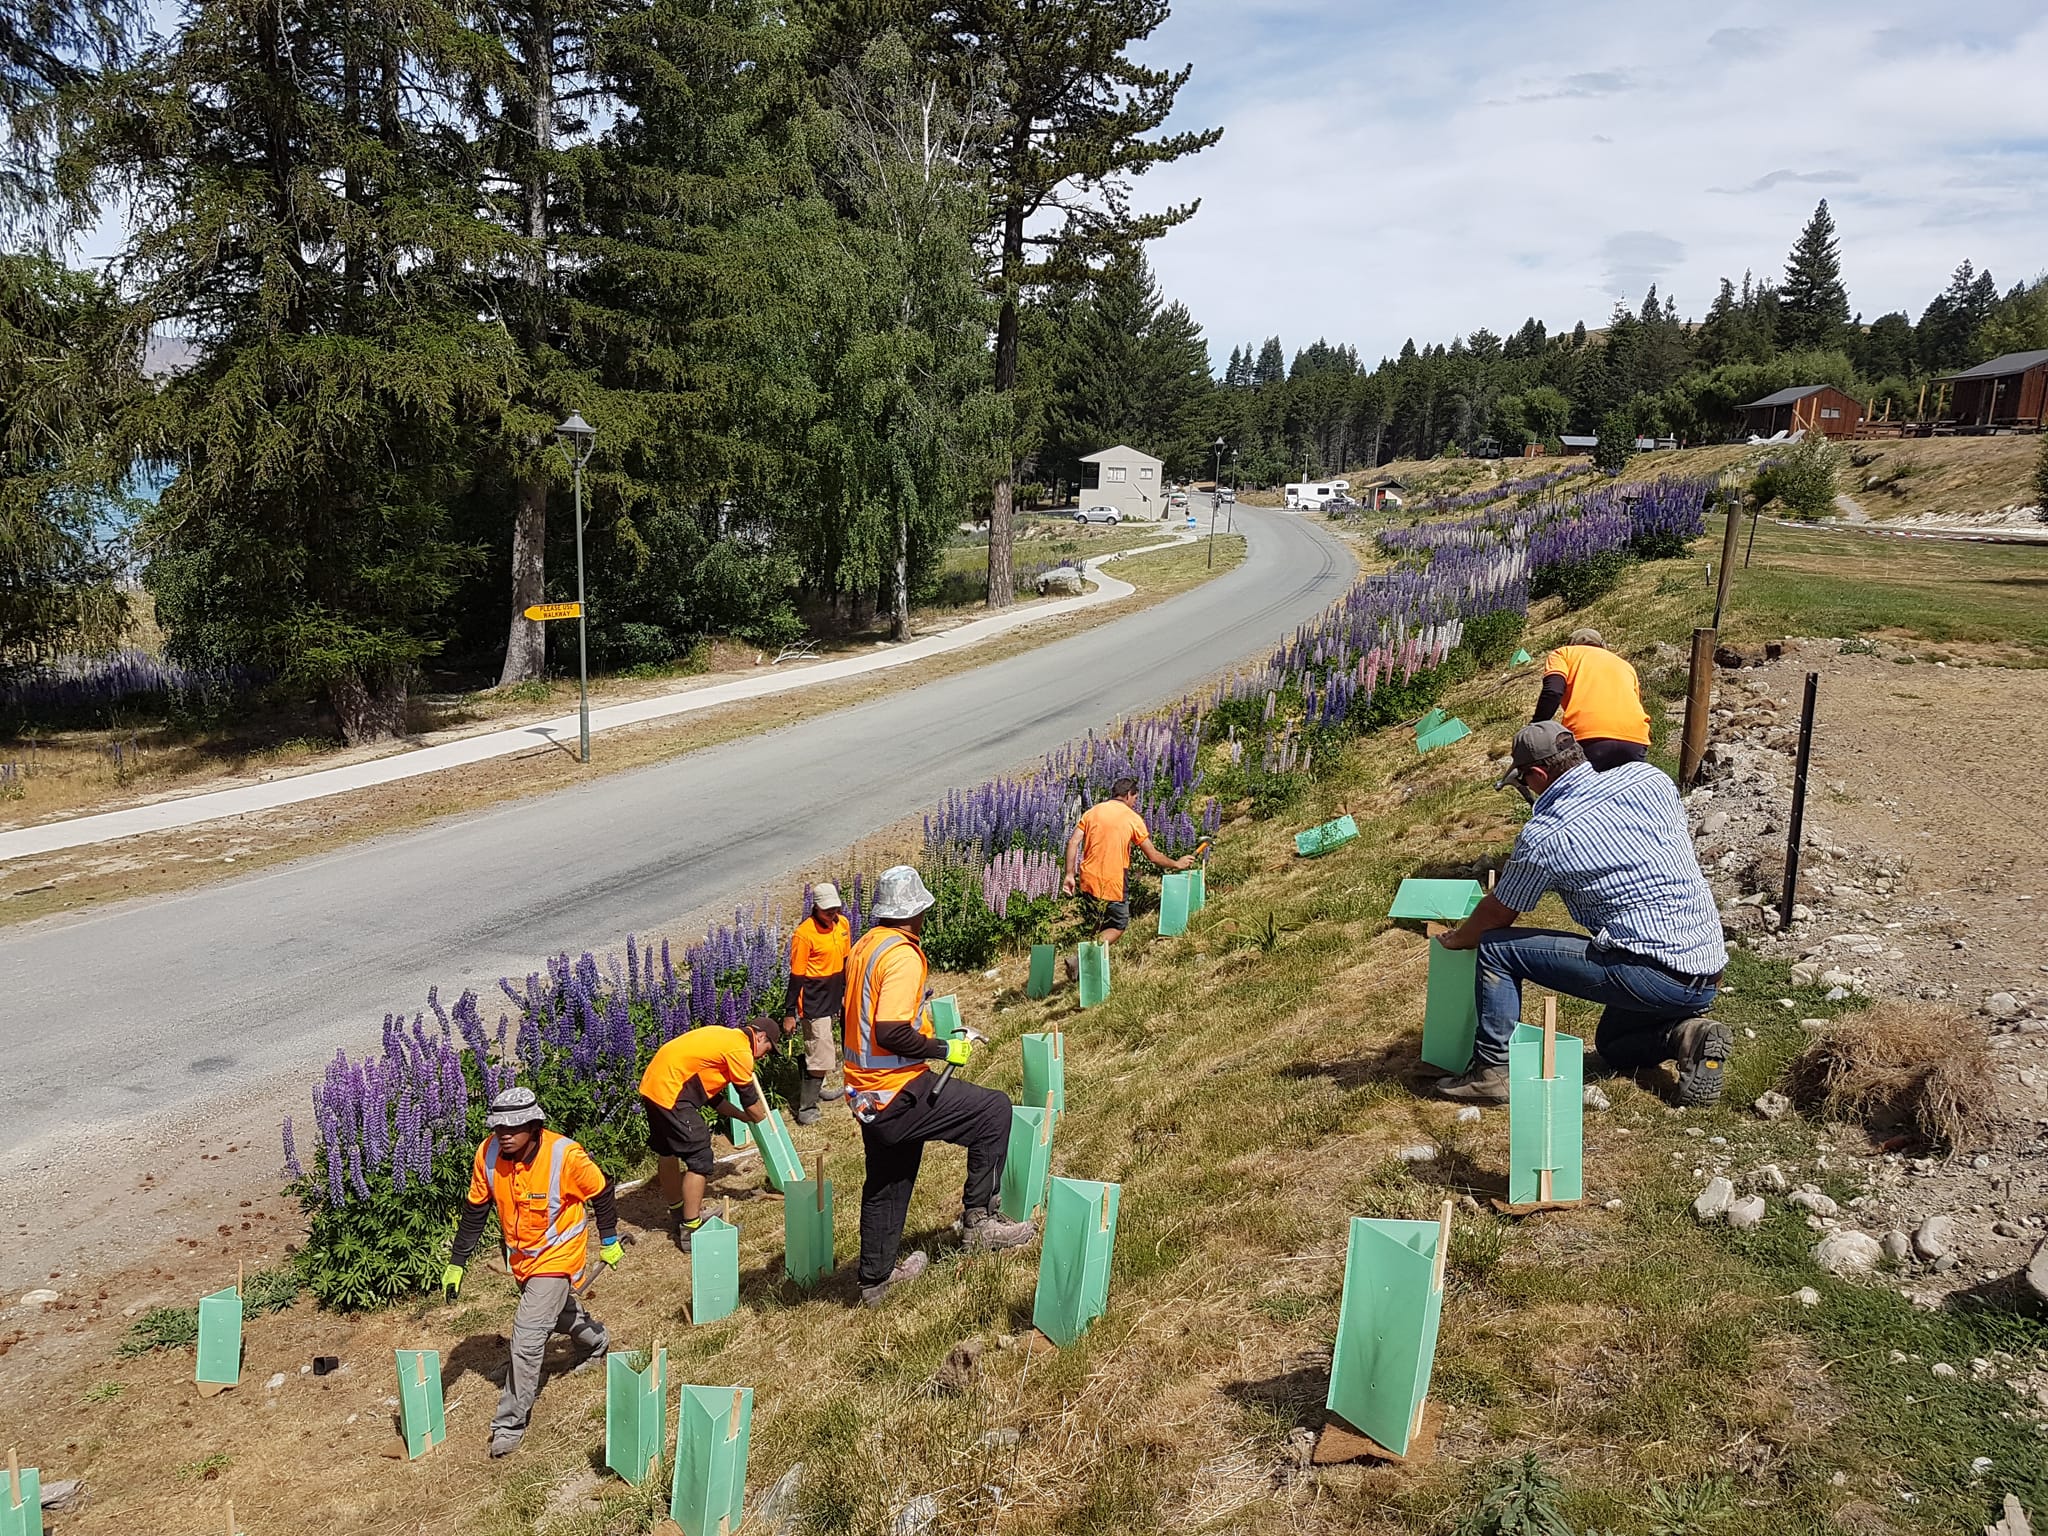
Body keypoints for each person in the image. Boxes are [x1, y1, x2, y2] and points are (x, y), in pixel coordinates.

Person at [1434, 722, 1732, 1108]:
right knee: (1613, 1045)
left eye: (1525, 780)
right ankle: (1687, 1034)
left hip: (1651, 971)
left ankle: (1493, 1071)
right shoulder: (1648, 779)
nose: (1528, 788)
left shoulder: (1547, 835)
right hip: (1707, 967)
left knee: (1495, 948)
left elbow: (1496, 915)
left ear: (1538, 774)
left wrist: (1458, 939)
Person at [844, 865, 1037, 1306]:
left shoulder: (864, 947)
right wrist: (943, 1048)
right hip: (898, 1090)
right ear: (914, 912)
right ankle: (981, 1222)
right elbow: (891, 1030)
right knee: (993, 1111)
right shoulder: (902, 955)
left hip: (866, 1095)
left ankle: (876, 1281)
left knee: (888, 1179)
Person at [443, 1086, 621, 1459]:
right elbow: (476, 1211)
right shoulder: (488, 1154)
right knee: (555, 1316)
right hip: (522, 1260)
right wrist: (457, 1263)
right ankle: (596, 1340)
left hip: (558, 1258)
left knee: (526, 1336)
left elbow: (601, 1191)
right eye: (498, 1128)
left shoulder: (565, 1156)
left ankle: (509, 1423)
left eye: (513, 1127)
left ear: (534, 1126)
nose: (504, 1135)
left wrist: (608, 1239)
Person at [637, 1015, 782, 1250]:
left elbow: (711, 1097)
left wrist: (741, 1116)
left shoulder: (724, 1038)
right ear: (760, 1036)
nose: (765, 1055)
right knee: (700, 1157)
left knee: (667, 1151)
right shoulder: (740, 1051)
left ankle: (678, 1212)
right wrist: (761, 1118)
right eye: (768, 1048)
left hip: (654, 1085)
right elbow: (751, 1102)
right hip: (671, 1092)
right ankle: (691, 1229)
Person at [1061, 776, 1194, 949]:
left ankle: (1089, 966)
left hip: (1088, 879)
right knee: (1118, 925)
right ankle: (1083, 958)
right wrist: (1177, 863)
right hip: (1113, 880)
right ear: (1128, 795)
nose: (1135, 803)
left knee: (1099, 922)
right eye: (1135, 798)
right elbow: (1152, 855)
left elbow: (1072, 842)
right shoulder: (1132, 818)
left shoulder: (1093, 811)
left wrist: (1070, 875)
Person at [1532, 628, 1651, 770]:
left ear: (1571, 644)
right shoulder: (1625, 665)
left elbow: (1553, 691)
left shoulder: (1563, 653)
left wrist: (1536, 725)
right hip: (1635, 737)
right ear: (1602, 645)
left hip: (1588, 735)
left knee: (1581, 790)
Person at [783, 883, 851, 1125]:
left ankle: (817, 1086)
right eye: (827, 911)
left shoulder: (843, 924)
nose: (832, 915)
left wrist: (847, 991)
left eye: (835, 909)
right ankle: (806, 1108)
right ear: (815, 908)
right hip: (813, 1000)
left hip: (835, 995)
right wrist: (790, 1012)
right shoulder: (804, 934)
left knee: (823, 1049)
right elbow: (796, 976)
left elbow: (846, 960)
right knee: (820, 1051)